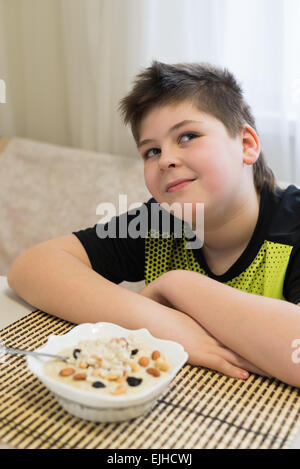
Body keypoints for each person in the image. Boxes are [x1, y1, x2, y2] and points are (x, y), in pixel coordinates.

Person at [7, 61, 300, 387]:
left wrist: (179, 284)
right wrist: (162, 323)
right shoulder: (157, 222)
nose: (166, 160)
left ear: (247, 145)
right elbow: (31, 268)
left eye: (188, 136)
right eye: (151, 151)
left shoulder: (291, 224)